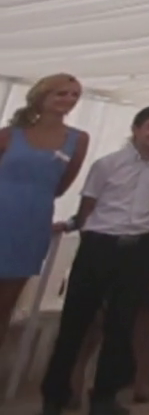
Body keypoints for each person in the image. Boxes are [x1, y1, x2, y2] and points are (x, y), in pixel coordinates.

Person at [26, 105, 149, 415]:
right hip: (100, 244)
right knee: (75, 323)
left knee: (122, 324)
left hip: (140, 248)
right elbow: (88, 206)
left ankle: (105, 395)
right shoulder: (108, 164)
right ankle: (54, 399)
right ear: (136, 129)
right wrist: (82, 232)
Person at [0, 75, 88, 332]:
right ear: (42, 96)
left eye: (74, 94)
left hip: (31, 222)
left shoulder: (78, 139)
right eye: (61, 93)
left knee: (5, 304)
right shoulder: (9, 134)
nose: (69, 99)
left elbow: (61, 185)